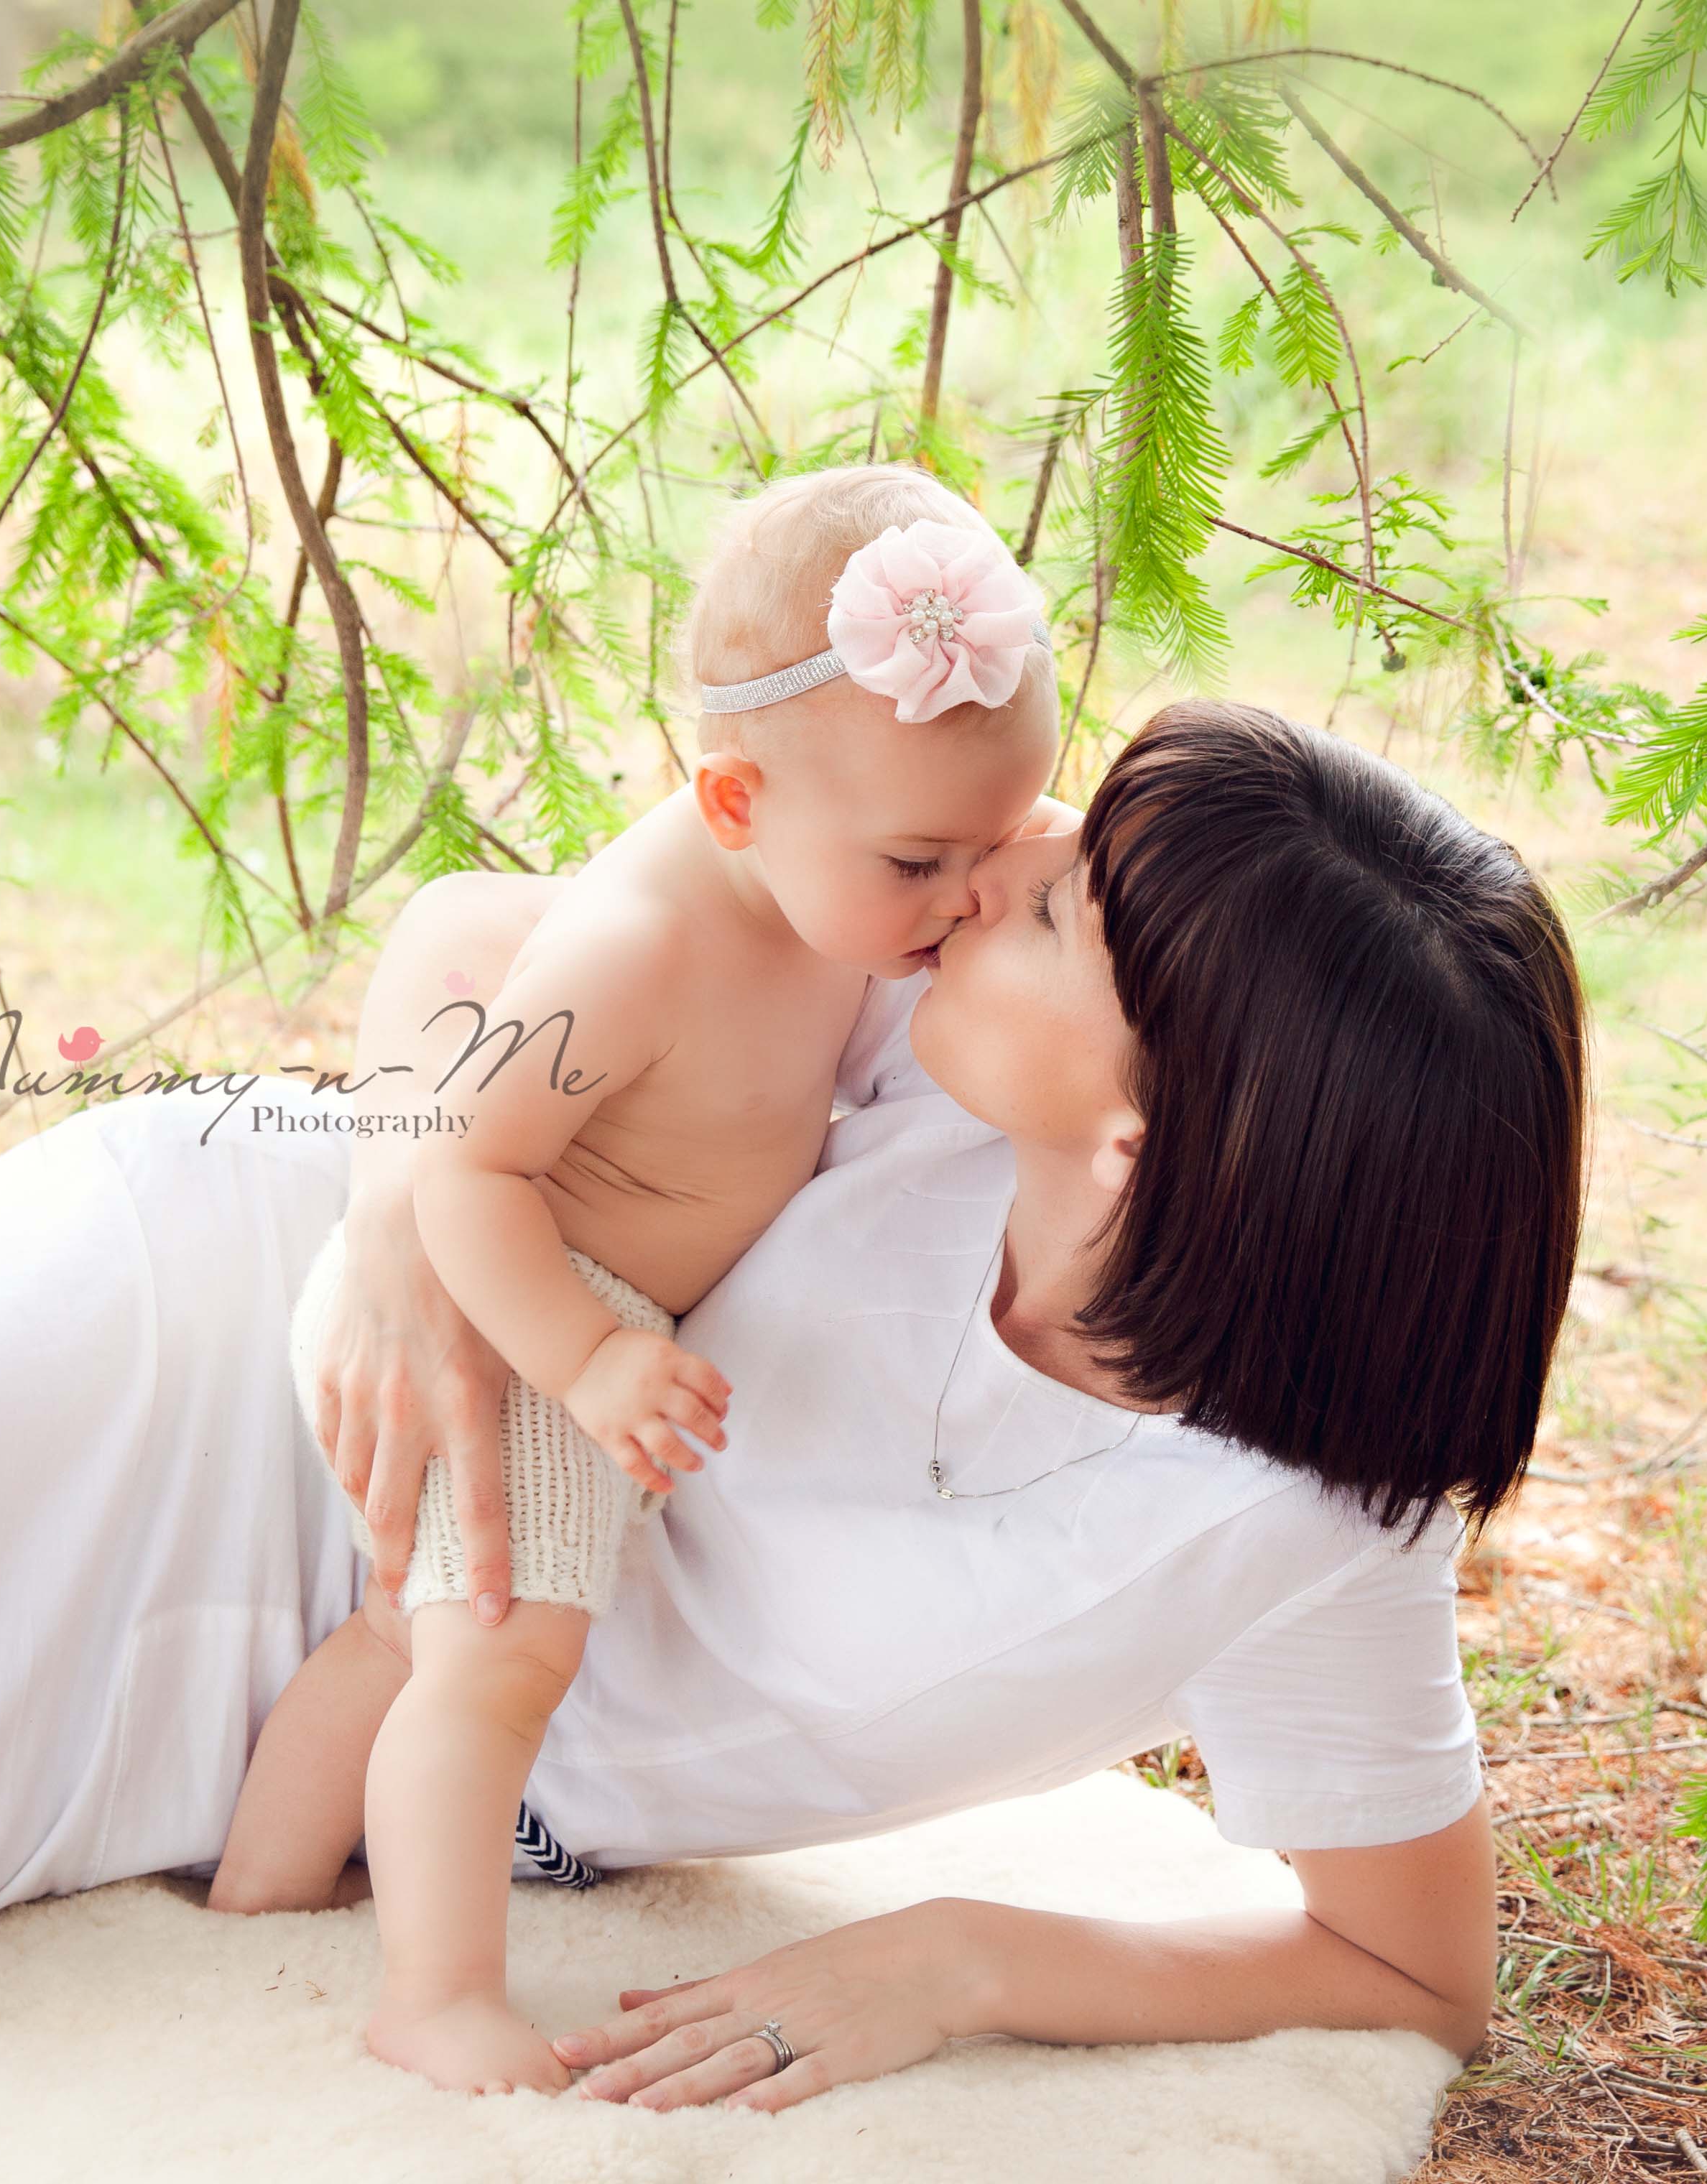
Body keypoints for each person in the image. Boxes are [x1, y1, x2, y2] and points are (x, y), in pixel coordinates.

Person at [0, 700, 1583, 2114]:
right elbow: (481, 936)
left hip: (343, 1705)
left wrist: (964, 1960)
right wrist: (396, 1223)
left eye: (1055, 908)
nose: (991, 866)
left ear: (1157, 1127)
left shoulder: (1298, 1523)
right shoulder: (900, 1006)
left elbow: (1402, 1967)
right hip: (235, 1339)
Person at [215, 463, 1063, 2096]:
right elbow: (462, 1164)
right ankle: (437, 1992)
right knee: (505, 1654)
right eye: (920, 860)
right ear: (734, 801)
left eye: (998, 840)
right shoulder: (643, 946)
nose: (965, 894)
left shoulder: (832, 875)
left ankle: (257, 1884)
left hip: (588, 1306)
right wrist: (591, 1355)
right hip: (525, 1297)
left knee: (407, 1633)